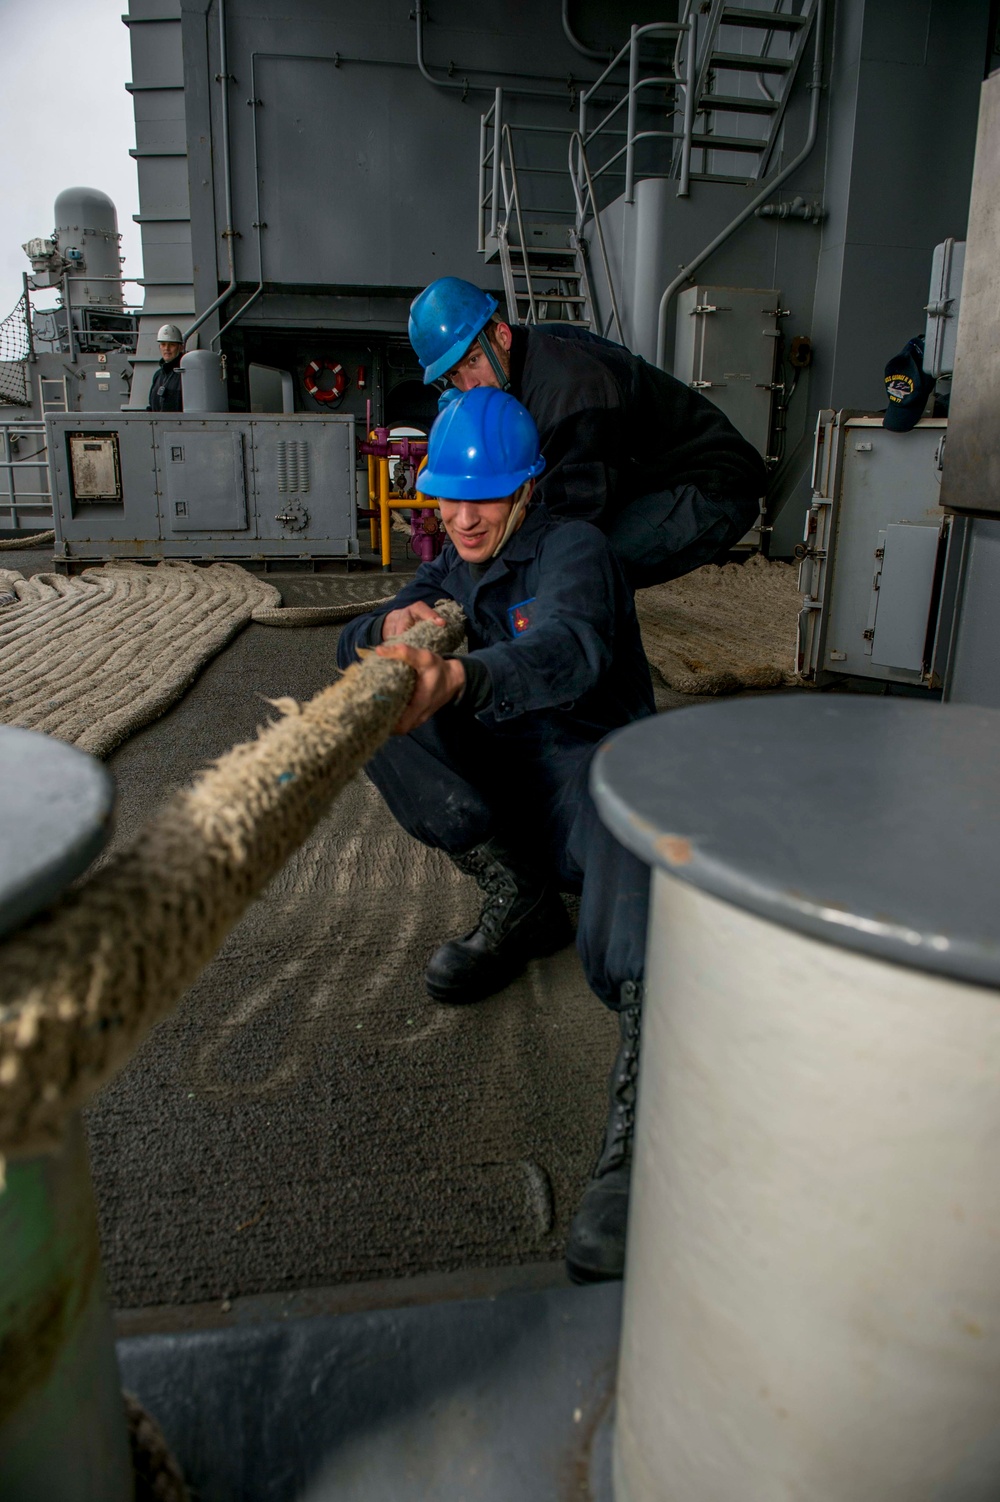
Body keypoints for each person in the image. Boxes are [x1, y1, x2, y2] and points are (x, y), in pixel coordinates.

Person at [336, 386, 654, 1283]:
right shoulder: (450, 571)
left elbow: (569, 650)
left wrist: (464, 680)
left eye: (487, 497)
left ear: (526, 489)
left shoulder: (574, 552)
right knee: (369, 713)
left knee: (641, 827)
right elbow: (363, 636)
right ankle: (520, 901)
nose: (465, 517)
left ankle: (642, 1118)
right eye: (450, 495)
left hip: (586, 773)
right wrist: (386, 629)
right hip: (507, 785)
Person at [408, 277, 767, 590]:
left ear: (501, 335)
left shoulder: (568, 395)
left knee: (582, 565)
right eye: (455, 374)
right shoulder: (531, 345)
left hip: (715, 488)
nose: (469, 386)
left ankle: (603, 665)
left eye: (473, 360)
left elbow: (568, 521)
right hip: (646, 474)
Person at [147, 323, 184, 412]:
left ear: (181, 347)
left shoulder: (185, 374)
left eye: (172, 345)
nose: (166, 348)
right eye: (163, 344)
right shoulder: (158, 375)